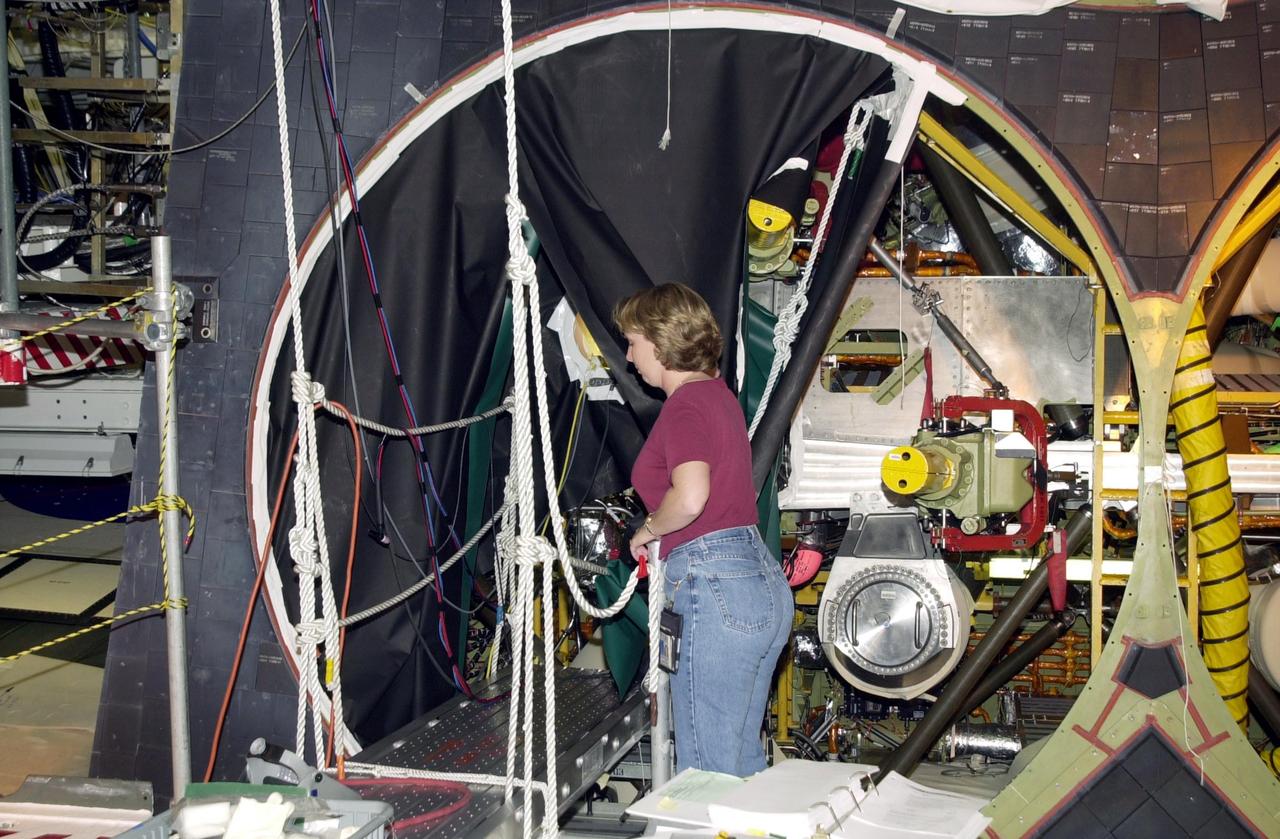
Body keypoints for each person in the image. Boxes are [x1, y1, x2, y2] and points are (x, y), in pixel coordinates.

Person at [614, 282, 793, 777]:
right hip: (758, 581)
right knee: (741, 761)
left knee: (706, 776)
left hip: (714, 589)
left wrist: (647, 529)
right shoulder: (720, 398)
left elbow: (691, 498)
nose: (630, 358)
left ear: (659, 338)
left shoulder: (685, 405)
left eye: (633, 342)